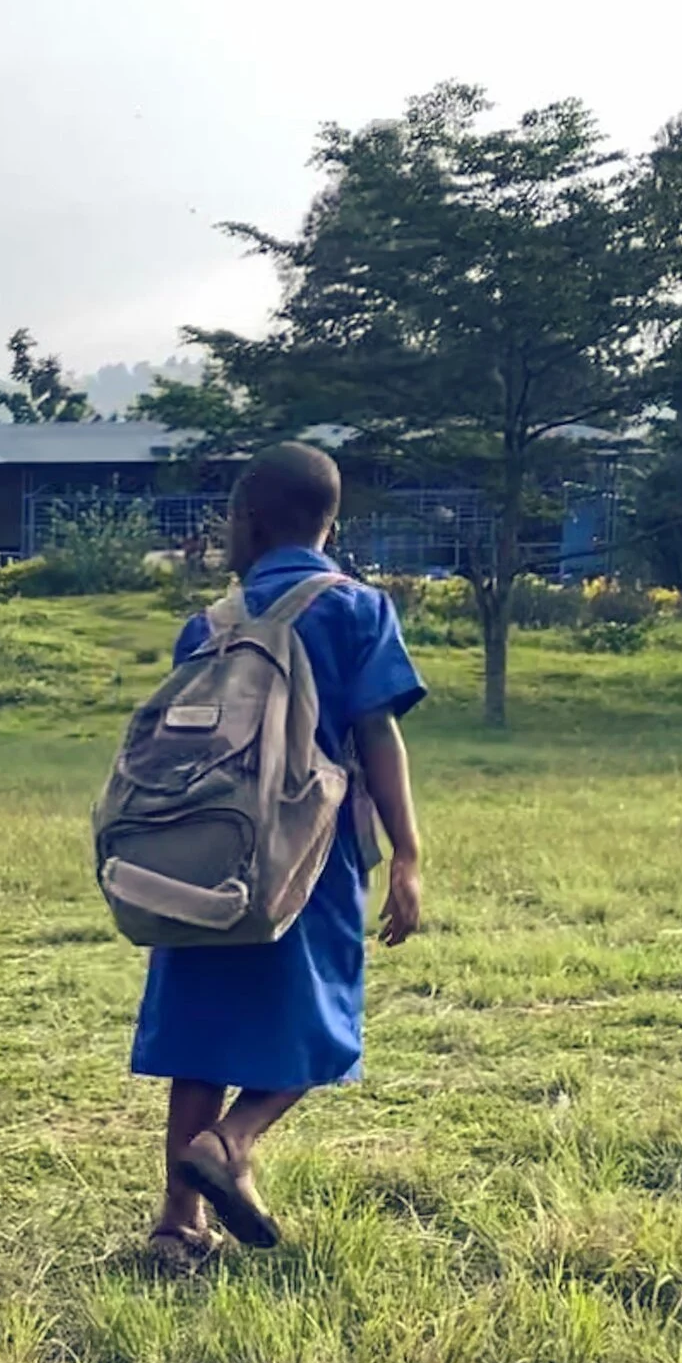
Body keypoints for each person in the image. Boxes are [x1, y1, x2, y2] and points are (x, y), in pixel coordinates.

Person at [132, 443, 425, 1271]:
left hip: (204, 849)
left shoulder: (212, 621)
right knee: (323, 1026)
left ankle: (175, 1222)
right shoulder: (358, 610)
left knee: (199, 1034)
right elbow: (379, 733)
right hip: (313, 856)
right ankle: (234, 1140)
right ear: (331, 521)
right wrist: (407, 852)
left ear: (248, 520)